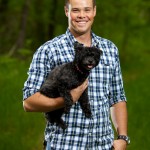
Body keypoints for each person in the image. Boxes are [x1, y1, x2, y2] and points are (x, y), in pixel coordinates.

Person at [23, 0, 130, 149]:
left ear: (94, 12)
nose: (82, 15)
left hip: (103, 146)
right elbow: (29, 102)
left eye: (87, 10)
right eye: (76, 10)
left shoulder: (110, 49)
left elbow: (117, 97)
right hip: (63, 145)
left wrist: (122, 138)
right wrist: (67, 99)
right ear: (67, 11)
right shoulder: (49, 50)